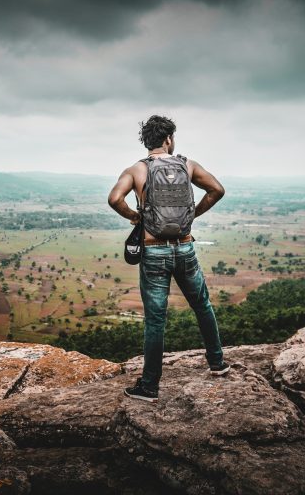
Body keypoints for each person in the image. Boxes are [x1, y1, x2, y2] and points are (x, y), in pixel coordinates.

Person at [108, 115, 229, 403]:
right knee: (202, 305)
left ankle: (149, 386)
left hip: (154, 252)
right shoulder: (188, 165)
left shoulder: (137, 170)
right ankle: (217, 363)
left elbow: (115, 199)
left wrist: (136, 216)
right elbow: (217, 190)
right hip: (185, 247)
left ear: (146, 141)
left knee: (155, 320)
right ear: (169, 139)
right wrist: (192, 215)